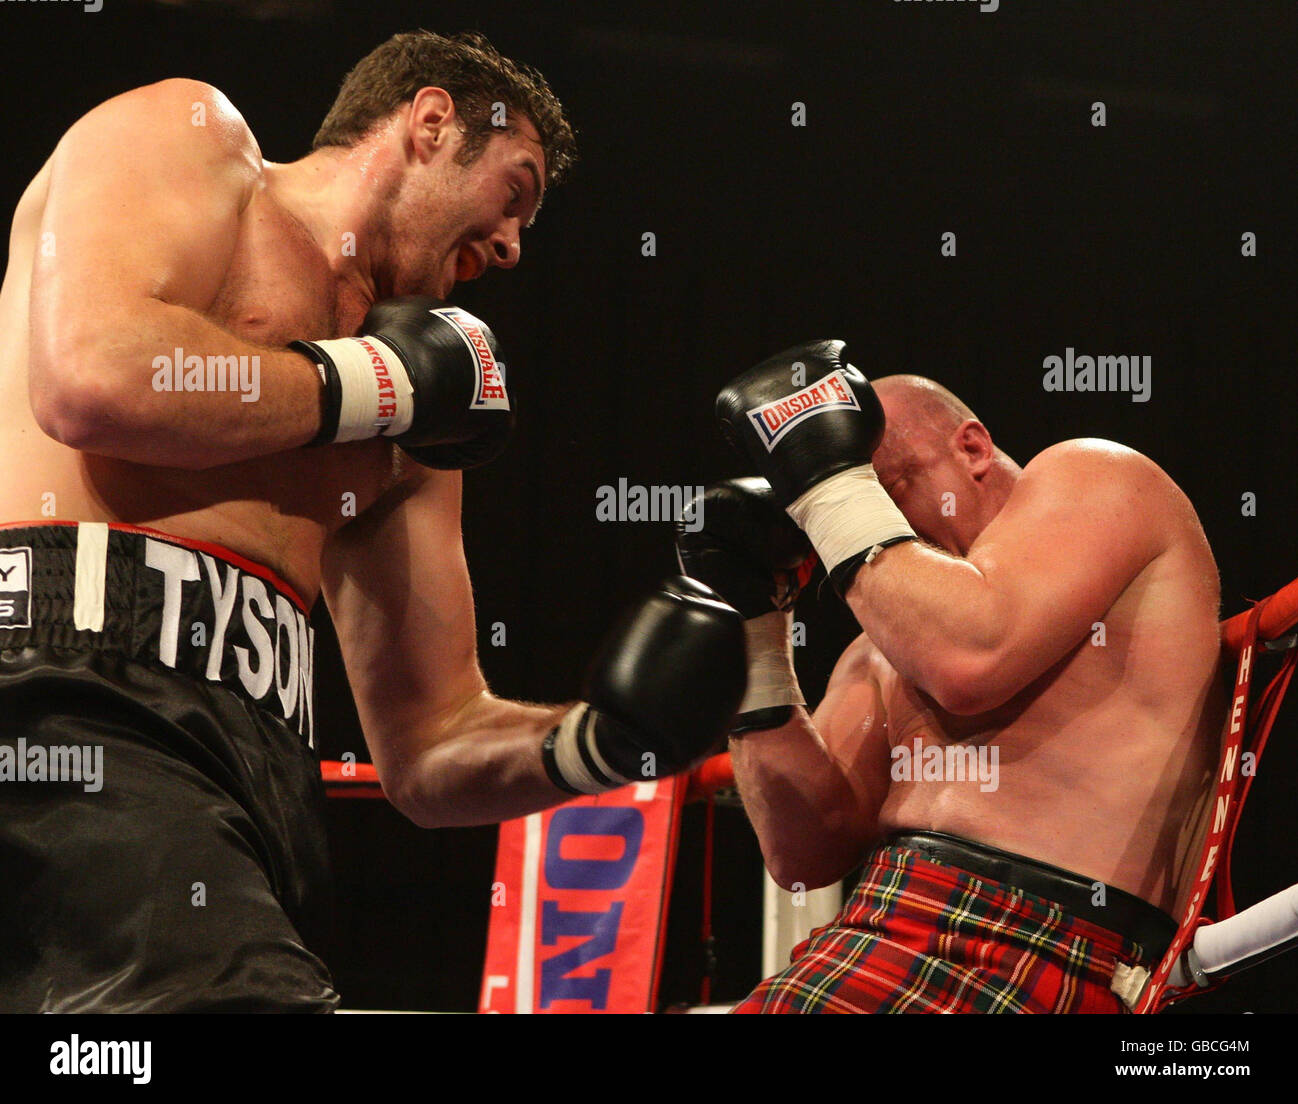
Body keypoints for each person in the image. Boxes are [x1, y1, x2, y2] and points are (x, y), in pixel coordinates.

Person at [0, 30, 743, 1012]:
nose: (515, 247)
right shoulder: (192, 143)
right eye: (513, 192)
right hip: (62, 691)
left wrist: (602, 743)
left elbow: (431, 748)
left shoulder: (420, 411)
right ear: (431, 125)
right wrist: (376, 384)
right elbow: (92, 378)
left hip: (250, 768)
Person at [679, 341, 1226, 1013]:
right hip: (871, 932)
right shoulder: (882, 646)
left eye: (877, 492)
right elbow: (803, 854)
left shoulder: (1097, 476)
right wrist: (754, 632)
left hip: (1034, 941)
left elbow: (972, 658)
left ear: (970, 448)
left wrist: (827, 481)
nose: (856, 534)